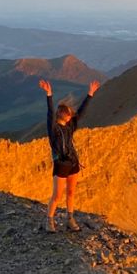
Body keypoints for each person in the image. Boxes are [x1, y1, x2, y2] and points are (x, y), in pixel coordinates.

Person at [38, 77, 100, 232]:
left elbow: (81, 112)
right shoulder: (53, 129)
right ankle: (49, 221)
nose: (71, 116)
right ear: (63, 114)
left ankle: (70, 220)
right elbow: (50, 112)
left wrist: (90, 94)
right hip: (60, 164)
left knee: (71, 193)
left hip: (73, 162)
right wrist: (49, 94)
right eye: (68, 114)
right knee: (57, 195)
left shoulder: (70, 126)